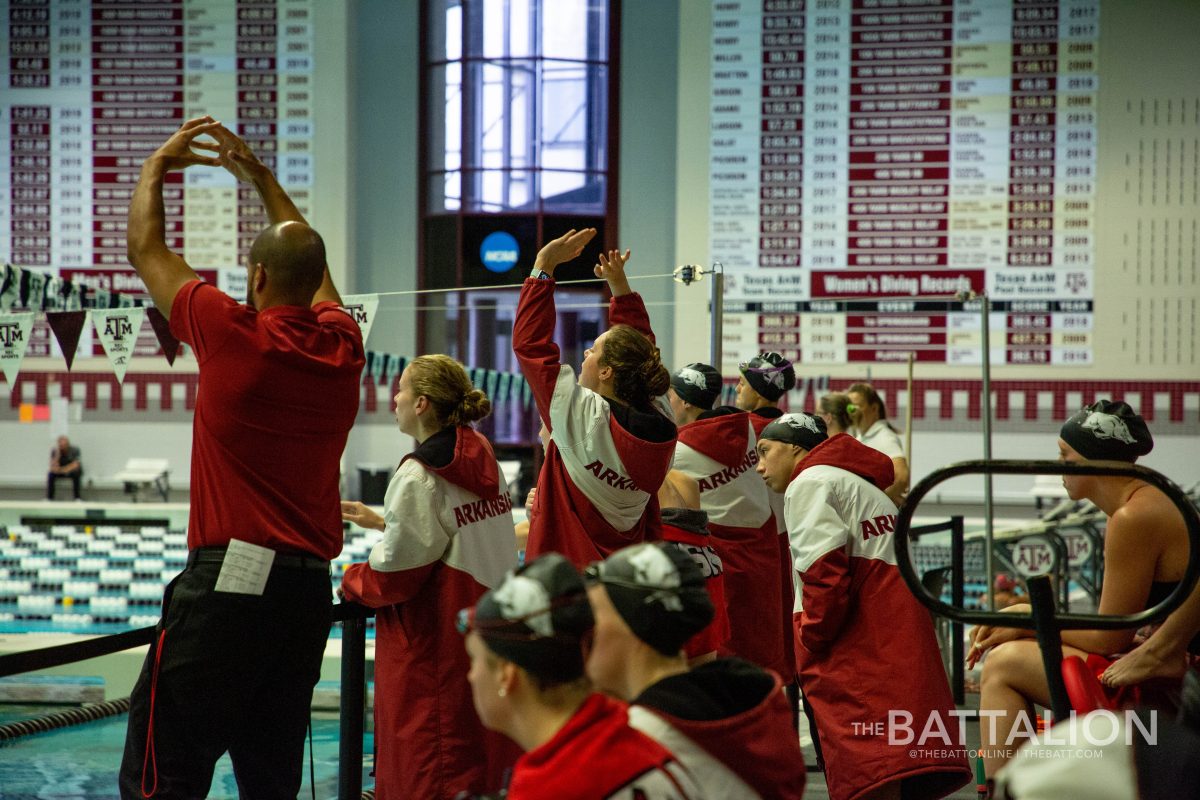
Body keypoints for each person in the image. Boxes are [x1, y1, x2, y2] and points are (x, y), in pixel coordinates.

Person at [119, 118, 365, 799]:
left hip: (229, 589)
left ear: (254, 277)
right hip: (304, 597)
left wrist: (156, 165)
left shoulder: (231, 334)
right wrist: (262, 180)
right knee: (270, 779)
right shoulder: (344, 351)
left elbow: (145, 247)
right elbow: (314, 274)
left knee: (161, 772)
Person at [756, 413, 971, 800]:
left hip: (859, 650)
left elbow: (824, 575)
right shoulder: (860, 485)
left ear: (794, 448)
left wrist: (811, 638)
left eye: (765, 451)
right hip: (893, 643)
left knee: (869, 773)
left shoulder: (810, 482)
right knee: (891, 771)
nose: (758, 466)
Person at [969, 400, 1191, 776]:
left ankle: (1002, 789)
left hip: (1177, 684)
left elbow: (1109, 641)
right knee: (1013, 651)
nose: (1058, 466)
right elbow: (1119, 629)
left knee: (1004, 663)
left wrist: (1028, 616)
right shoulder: (1147, 501)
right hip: (1170, 664)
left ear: (1093, 458)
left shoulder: (1134, 517)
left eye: (1064, 455)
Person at [338, 355, 519, 799]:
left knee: (431, 767)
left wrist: (350, 578)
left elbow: (395, 576)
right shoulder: (480, 454)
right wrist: (385, 524)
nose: (393, 398)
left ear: (421, 404)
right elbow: (455, 533)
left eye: (400, 389)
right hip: (481, 633)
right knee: (477, 764)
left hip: (433, 648)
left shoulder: (419, 474)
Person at [460, 553, 702, 799]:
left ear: (506, 674)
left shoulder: (548, 787)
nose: (471, 676)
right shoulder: (635, 736)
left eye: (473, 660)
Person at [584, 541, 808, 799]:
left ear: (632, 630)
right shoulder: (757, 709)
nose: (585, 638)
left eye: (594, 623)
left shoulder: (633, 746)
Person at [512, 230, 675, 567]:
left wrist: (543, 267)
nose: (585, 352)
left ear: (606, 372)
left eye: (594, 349)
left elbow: (530, 345)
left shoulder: (580, 413)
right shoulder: (663, 419)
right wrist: (620, 288)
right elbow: (641, 351)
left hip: (569, 577)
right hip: (627, 574)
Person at [670, 363, 788, 677]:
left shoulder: (677, 452)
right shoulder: (747, 429)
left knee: (723, 666)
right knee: (762, 662)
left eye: (669, 394)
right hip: (762, 553)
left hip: (721, 560)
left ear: (685, 402)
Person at [732, 351, 798, 680]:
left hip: (758, 540)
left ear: (758, 392)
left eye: (742, 383)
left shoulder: (741, 432)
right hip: (790, 536)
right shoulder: (794, 433)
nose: (736, 388)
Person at [656, 469, 730, 662]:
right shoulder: (685, 480)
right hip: (704, 563)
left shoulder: (642, 479)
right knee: (701, 681)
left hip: (674, 565)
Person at [846, 382, 909, 506]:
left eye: (857, 407)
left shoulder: (884, 437)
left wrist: (873, 501)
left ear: (874, 408)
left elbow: (902, 478)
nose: (852, 412)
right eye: (849, 407)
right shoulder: (861, 438)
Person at [47, 435, 82, 500]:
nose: (63, 447)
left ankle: (77, 498)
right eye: (61, 446)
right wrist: (57, 456)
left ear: (68, 444)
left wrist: (62, 470)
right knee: (50, 474)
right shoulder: (55, 451)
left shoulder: (75, 450)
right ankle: (49, 498)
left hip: (71, 471)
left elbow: (75, 465)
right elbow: (53, 468)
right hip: (61, 471)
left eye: (64, 445)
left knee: (76, 473)